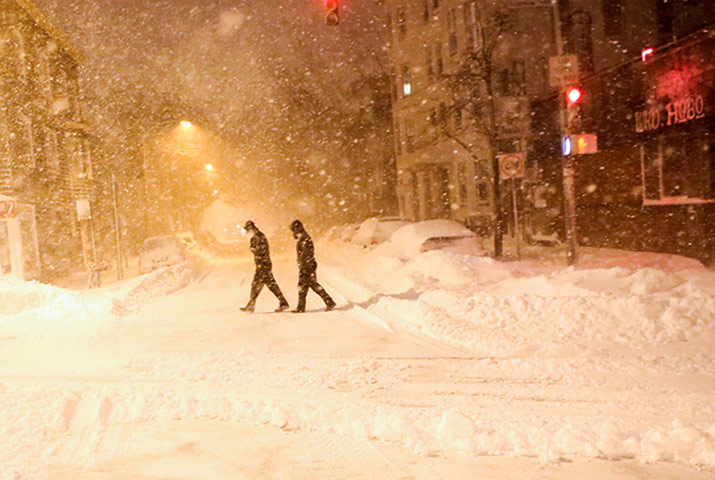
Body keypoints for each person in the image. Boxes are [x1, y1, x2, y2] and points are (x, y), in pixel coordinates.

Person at [240, 220, 290, 313]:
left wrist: (254, 249)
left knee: (260, 284)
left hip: (263, 264)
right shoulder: (256, 237)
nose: (247, 232)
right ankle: (283, 303)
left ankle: (252, 304)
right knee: (267, 285)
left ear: (252, 229)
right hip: (262, 264)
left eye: (248, 230)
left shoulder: (259, 237)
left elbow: (260, 250)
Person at [289, 219, 336, 313]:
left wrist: (305, 267)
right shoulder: (302, 238)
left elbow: (306, 254)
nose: (292, 233)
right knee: (310, 286)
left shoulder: (304, 239)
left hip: (307, 266)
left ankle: (302, 307)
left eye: (293, 230)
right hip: (307, 265)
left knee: (305, 286)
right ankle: (328, 302)